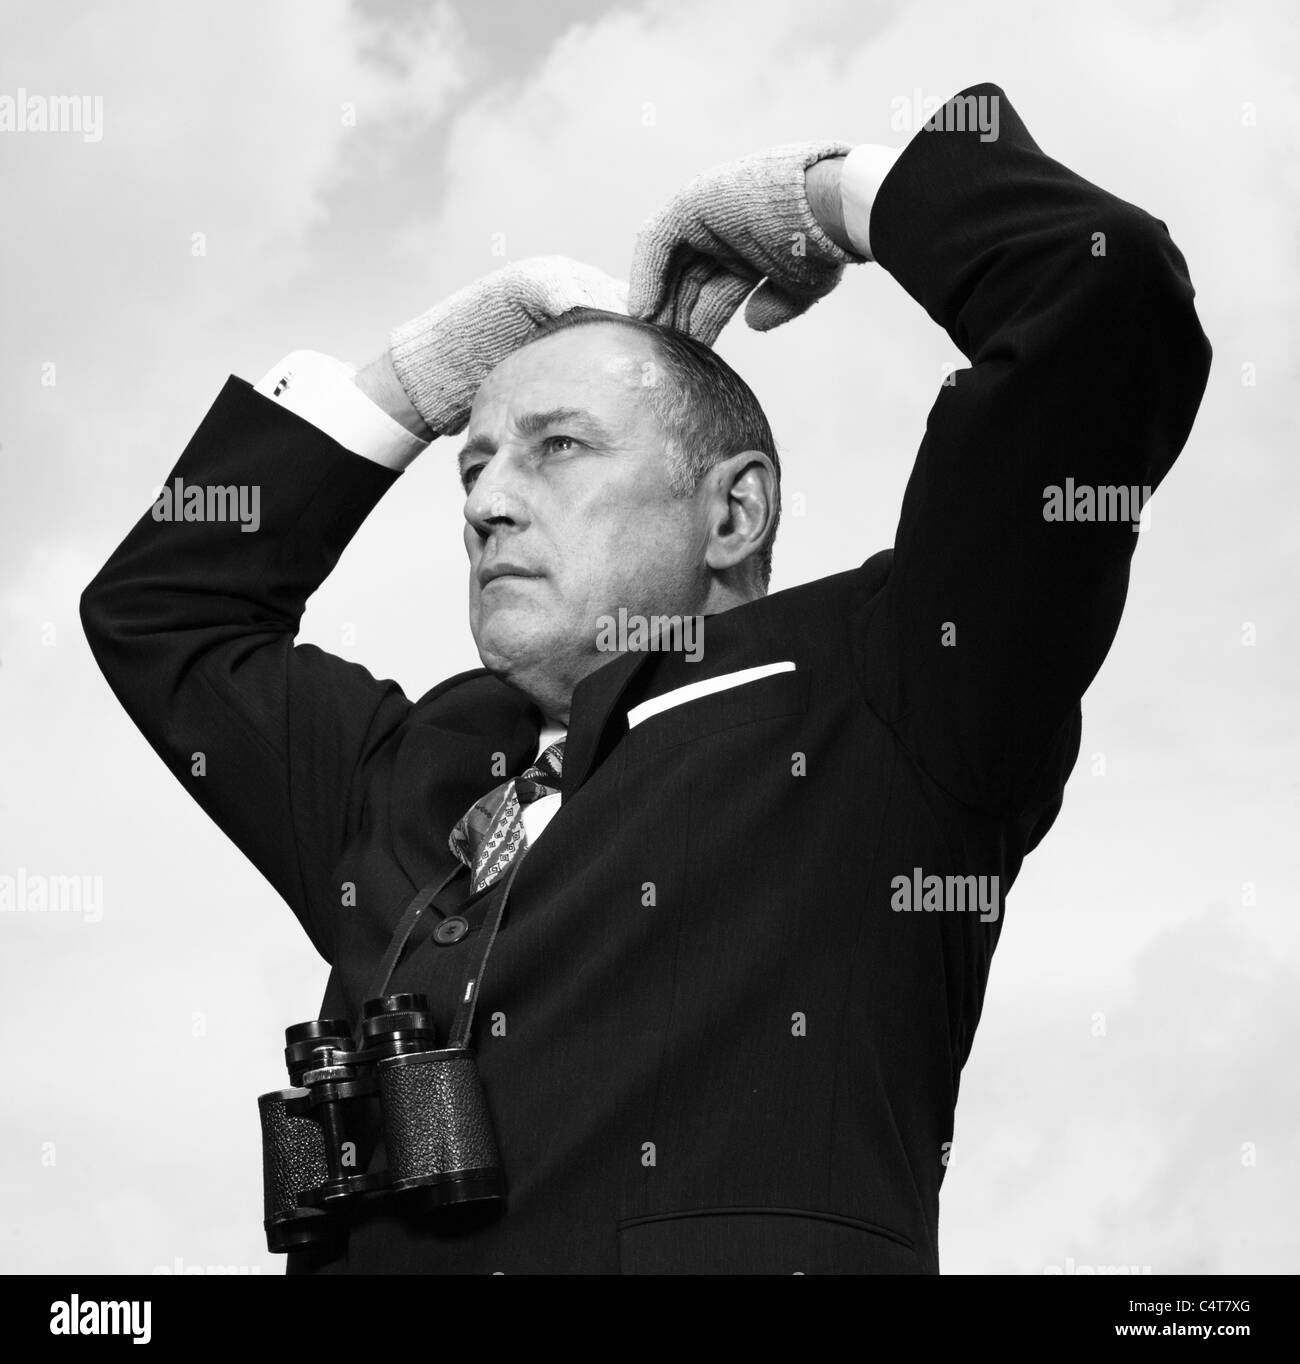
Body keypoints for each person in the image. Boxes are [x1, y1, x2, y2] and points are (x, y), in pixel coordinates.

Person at [81, 83, 1211, 1274]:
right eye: (470, 462)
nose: (482, 499)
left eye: (556, 444)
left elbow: (1103, 292)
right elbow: (166, 614)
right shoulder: (406, 782)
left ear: (734, 510)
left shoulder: (889, 693)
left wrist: (829, 197)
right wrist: (411, 382)